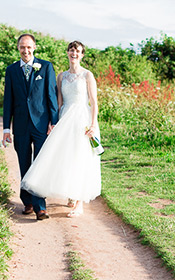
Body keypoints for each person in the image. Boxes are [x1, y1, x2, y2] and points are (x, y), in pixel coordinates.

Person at [21, 40, 101, 217]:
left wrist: (93, 124)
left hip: (82, 119)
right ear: (67, 53)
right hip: (65, 118)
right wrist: (53, 121)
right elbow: (58, 102)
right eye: (71, 51)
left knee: (80, 157)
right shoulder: (61, 76)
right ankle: (71, 193)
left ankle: (79, 202)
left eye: (78, 51)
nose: (74, 54)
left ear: (82, 55)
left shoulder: (88, 75)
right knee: (65, 156)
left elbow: (94, 101)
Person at [2, 33, 59, 220]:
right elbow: (7, 101)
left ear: (34, 47)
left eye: (28, 47)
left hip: (41, 124)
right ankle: (27, 201)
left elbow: (51, 96)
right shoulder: (11, 71)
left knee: (40, 164)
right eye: (22, 47)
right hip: (20, 125)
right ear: (18, 48)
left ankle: (40, 206)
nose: (25, 50)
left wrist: (54, 122)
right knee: (24, 164)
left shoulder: (46, 66)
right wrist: (6, 129)